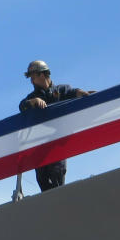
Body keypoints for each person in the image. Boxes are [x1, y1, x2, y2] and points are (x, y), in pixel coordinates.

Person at [19, 60, 92, 191]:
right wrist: (33, 102)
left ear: (41, 75)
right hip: (39, 147)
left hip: (57, 144)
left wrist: (81, 93)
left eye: (33, 77)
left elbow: (73, 92)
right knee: (43, 180)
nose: (31, 81)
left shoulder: (61, 90)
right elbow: (22, 106)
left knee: (57, 174)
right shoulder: (32, 96)